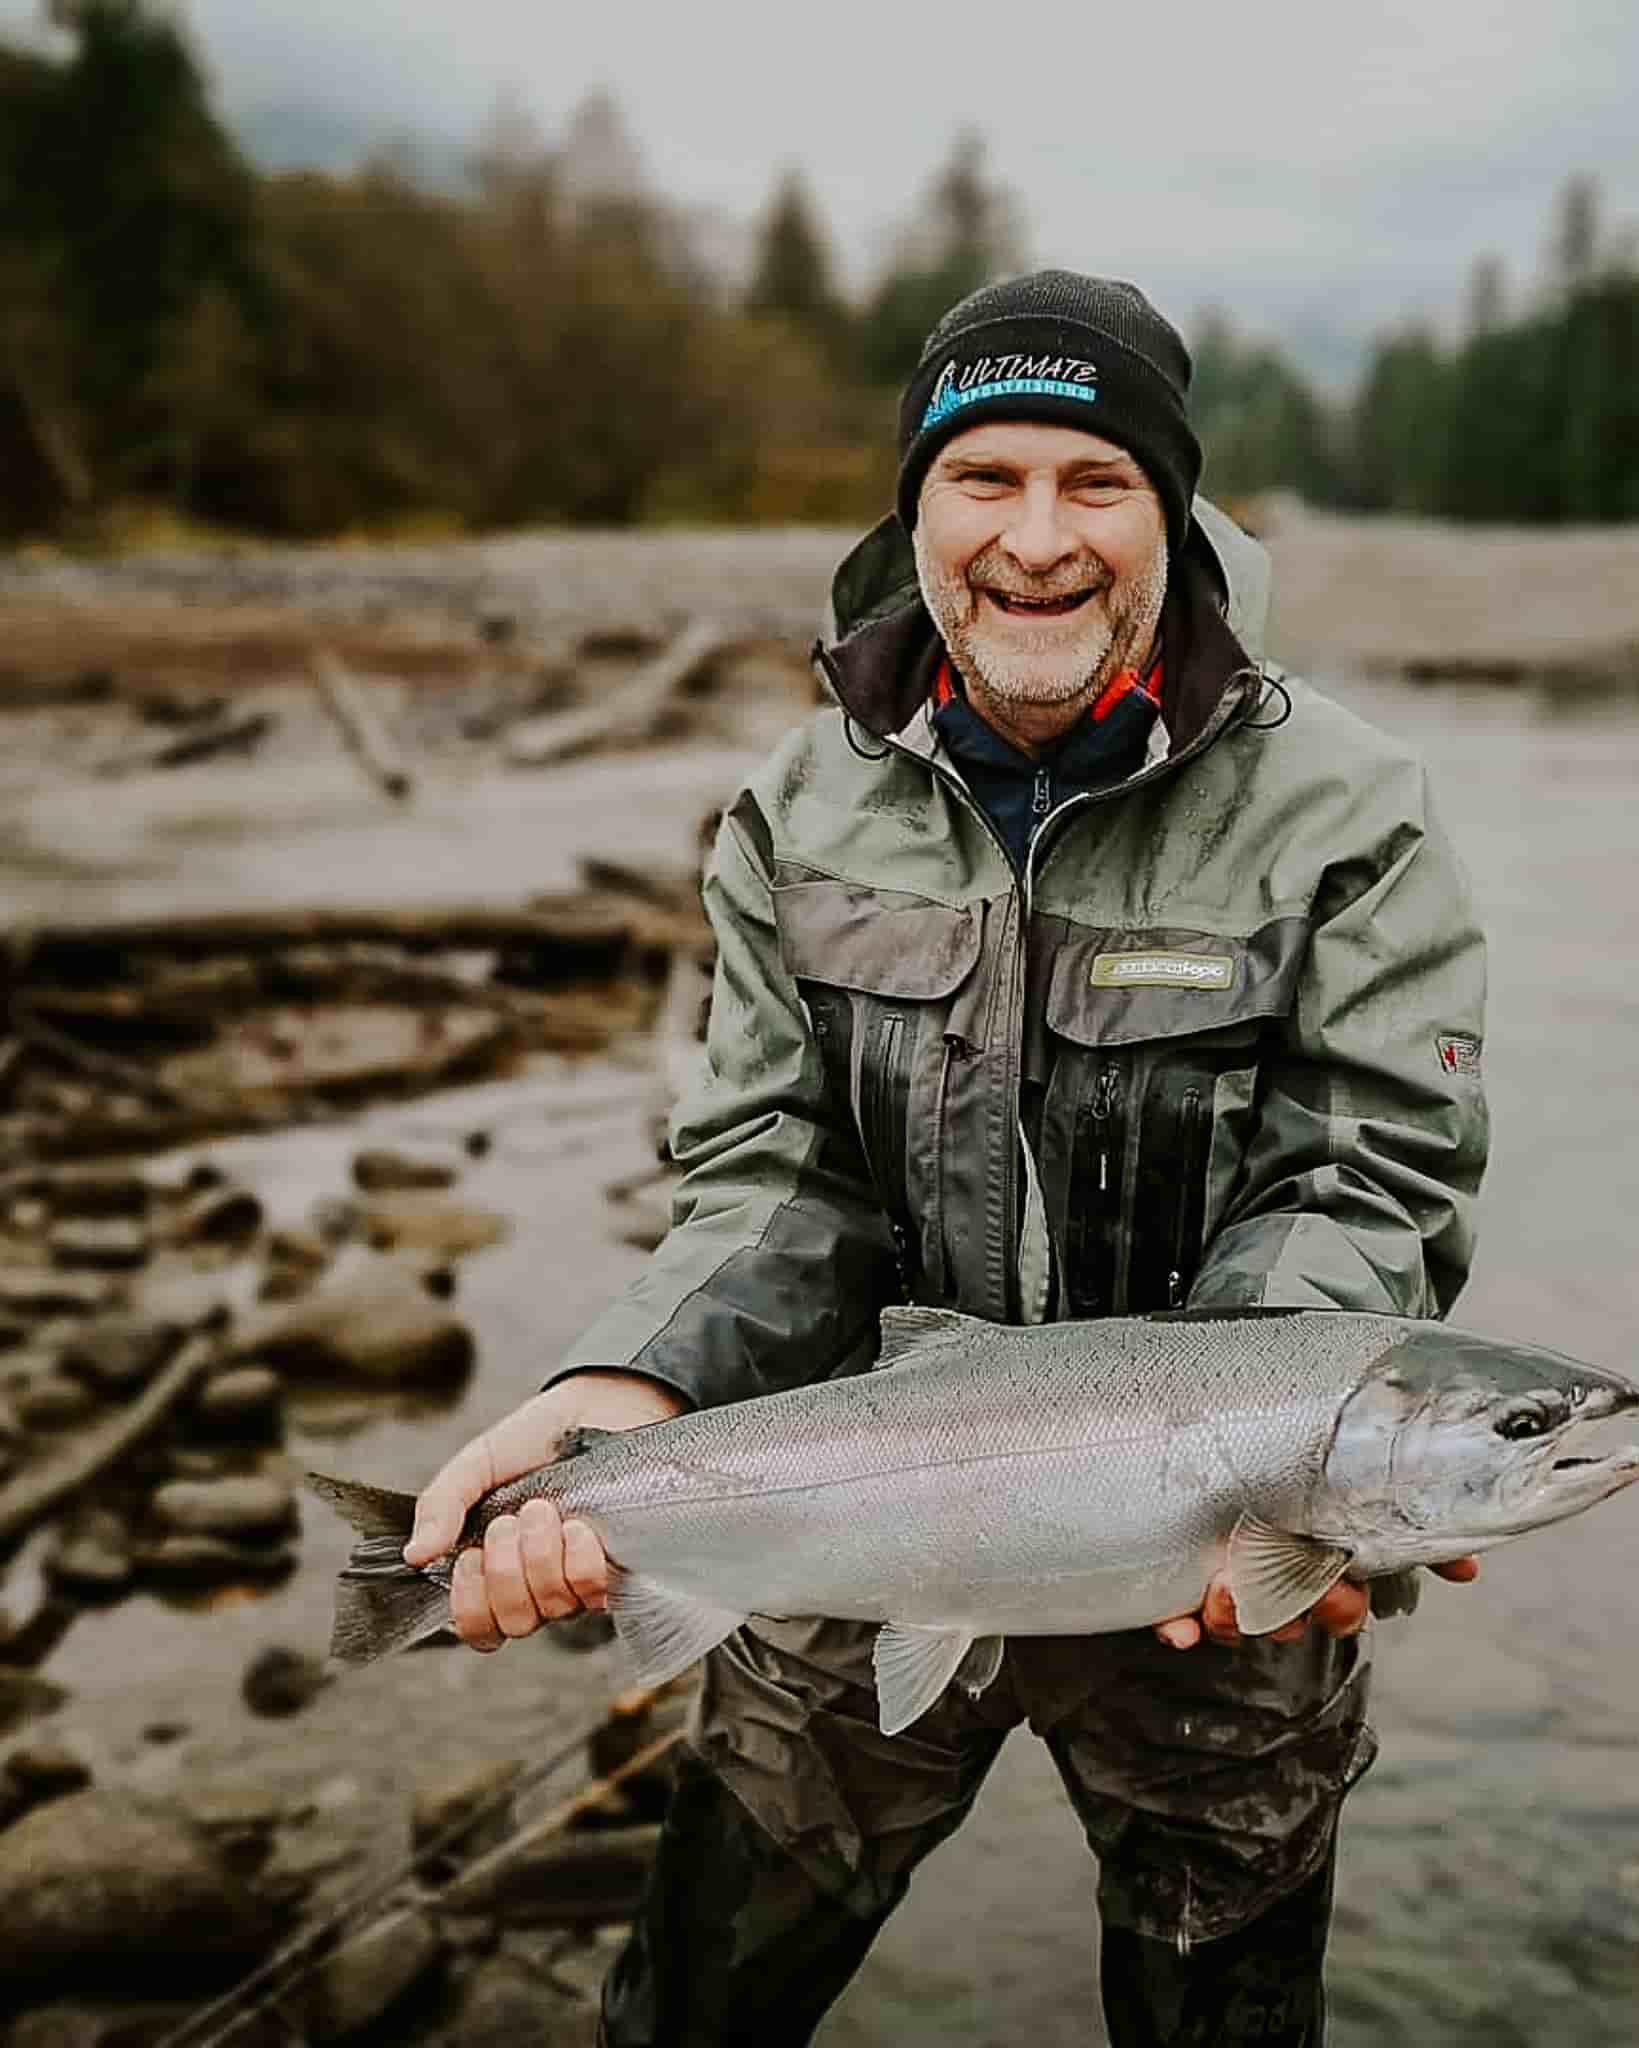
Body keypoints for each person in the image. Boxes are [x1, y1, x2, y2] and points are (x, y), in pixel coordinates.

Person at [404, 270, 1490, 2046]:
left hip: (1219, 1561)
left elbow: (1367, 1174)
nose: (1037, 539)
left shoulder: (1350, 811)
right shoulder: (796, 803)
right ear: (913, 508)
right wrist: (631, 1373)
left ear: (1175, 512)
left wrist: (1298, 1455)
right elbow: (773, 1171)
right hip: (855, 1508)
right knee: (689, 2005)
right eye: (984, 478)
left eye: (1096, 482)